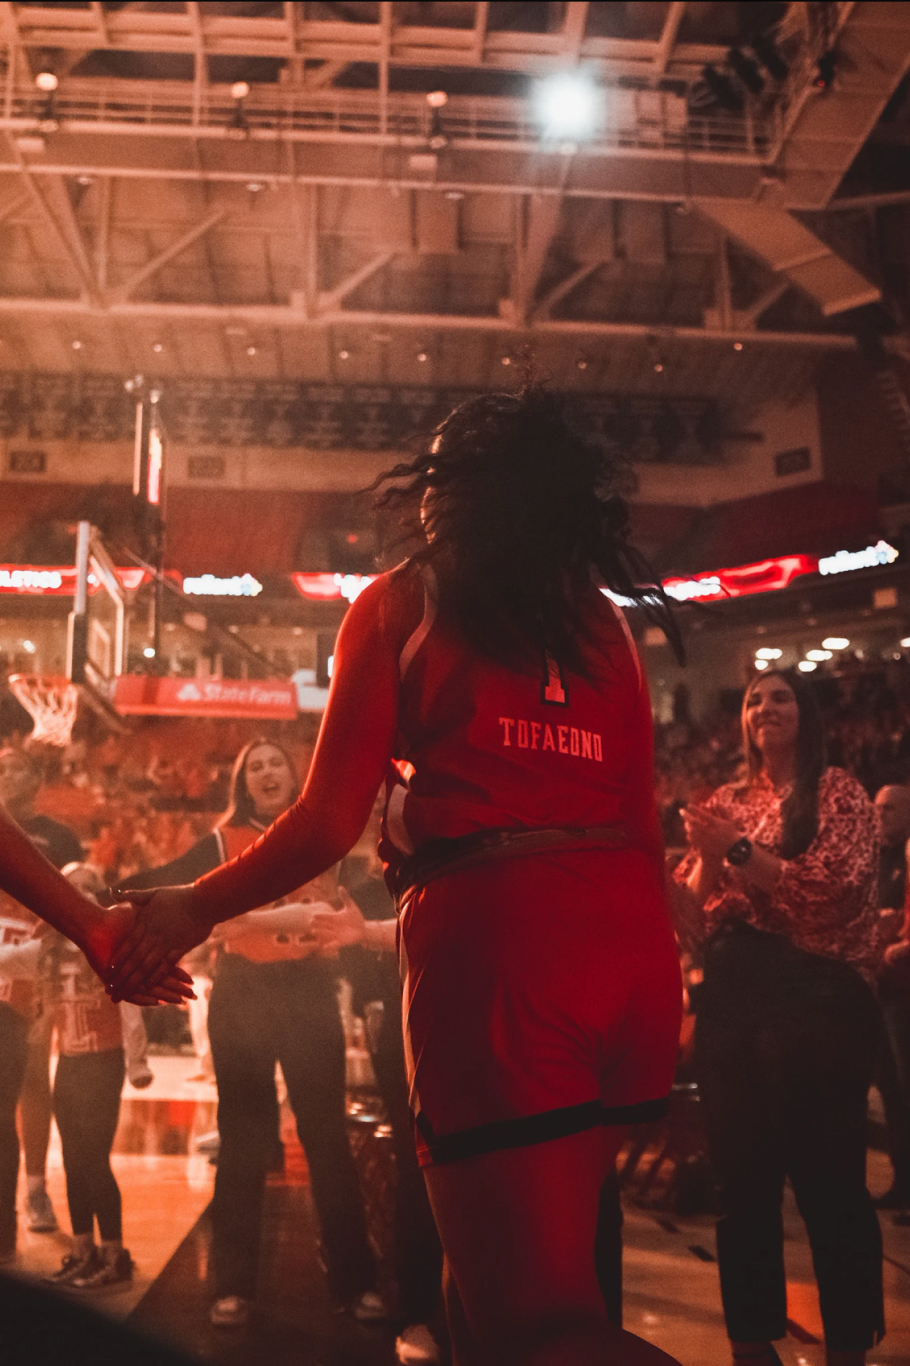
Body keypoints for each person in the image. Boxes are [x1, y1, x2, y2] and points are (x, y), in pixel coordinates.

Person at [111, 387, 686, 1366]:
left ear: (450, 493)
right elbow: (638, 826)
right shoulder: (601, 624)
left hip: (505, 946)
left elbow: (330, 819)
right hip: (631, 951)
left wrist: (196, 904)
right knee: (481, 1283)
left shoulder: (403, 600)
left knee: (540, 1327)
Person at [122, 739, 382, 1330]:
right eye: (254, 767)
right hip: (244, 991)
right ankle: (232, 1285)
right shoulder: (222, 842)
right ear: (244, 783)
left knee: (326, 1139)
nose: (266, 772)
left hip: (313, 990)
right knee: (243, 1141)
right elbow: (174, 892)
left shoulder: (326, 838)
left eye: (275, 763)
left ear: (295, 775)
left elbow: (357, 903)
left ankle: (355, 1277)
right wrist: (98, 897)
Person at [673, 668, 885, 1366]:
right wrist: (705, 865)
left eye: (781, 695)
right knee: (743, 1183)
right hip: (735, 992)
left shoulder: (839, 791)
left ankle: (848, 1348)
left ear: (809, 712)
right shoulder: (726, 798)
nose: (765, 706)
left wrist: (736, 851)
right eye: (753, 699)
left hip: (817, 997)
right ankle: (749, 1345)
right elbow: (692, 915)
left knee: (831, 1187)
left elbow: (832, 893)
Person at [0, 794, 189, 1265]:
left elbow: (129, 1010)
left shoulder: (105, 950)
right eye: (70, 890)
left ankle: (114, 1252)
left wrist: (139, 1063)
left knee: (94, 1160)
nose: (79, 896)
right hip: (67, 1065)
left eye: (88, 888)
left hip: (102, 1063)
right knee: (75, 1163)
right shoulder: (47, 952)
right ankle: (83, 1250)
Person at [0, 748, 82, 1237]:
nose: (8, 774)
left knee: (32, 1081)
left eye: (17, 767)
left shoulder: (61, 836)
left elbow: (79, 903)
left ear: (36, 777)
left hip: (33, 967)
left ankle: (33, 1190)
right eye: (2, 767)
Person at [875, 784, 910, 1211]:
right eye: (877, 808)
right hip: (881, 988)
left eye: (891, 808)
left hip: (905, 991)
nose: (881, 815)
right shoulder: (873, 859)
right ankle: (902, 1184)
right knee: (891, 1092)